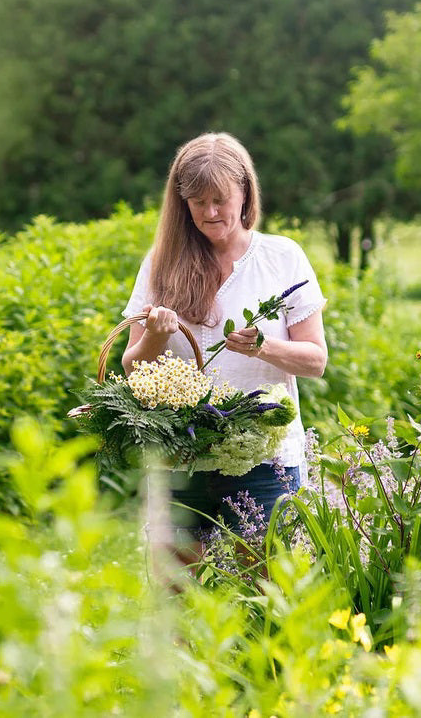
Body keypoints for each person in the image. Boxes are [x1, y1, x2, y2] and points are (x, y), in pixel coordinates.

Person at [122, 132, 327, 556]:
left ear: (245, 192)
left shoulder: (282, 258)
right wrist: (158, 335)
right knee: (176, 594)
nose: (211, 212)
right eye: (198, 202)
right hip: (182, 457)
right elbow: (131, 367)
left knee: (265, 591)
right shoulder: (161, 263)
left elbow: (315, 361)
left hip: (265, 459)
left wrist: (263, 346)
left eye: (221, 199)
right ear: (182, 204)